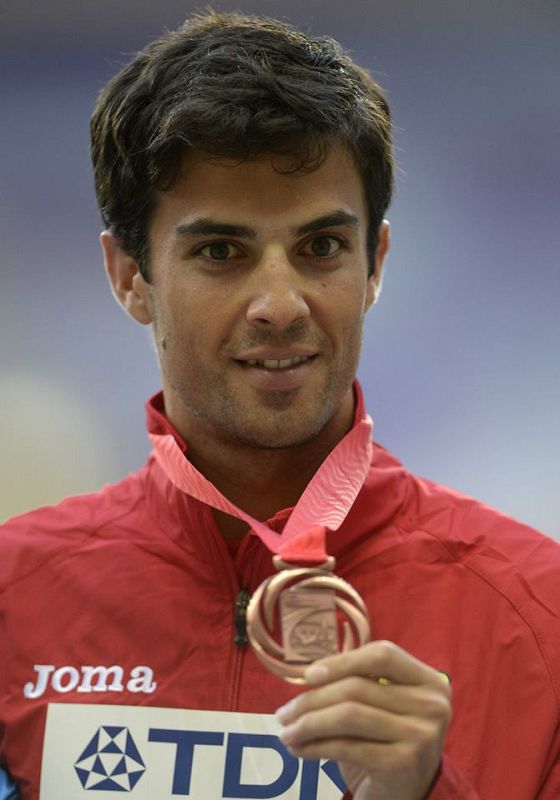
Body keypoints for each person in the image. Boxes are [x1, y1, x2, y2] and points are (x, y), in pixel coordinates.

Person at [1, 10, 559, 800]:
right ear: (129, 276)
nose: (280, 302)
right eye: (221, 252)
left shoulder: (540, 616)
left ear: (376, 263)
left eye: (321, 247)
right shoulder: (13, 603)